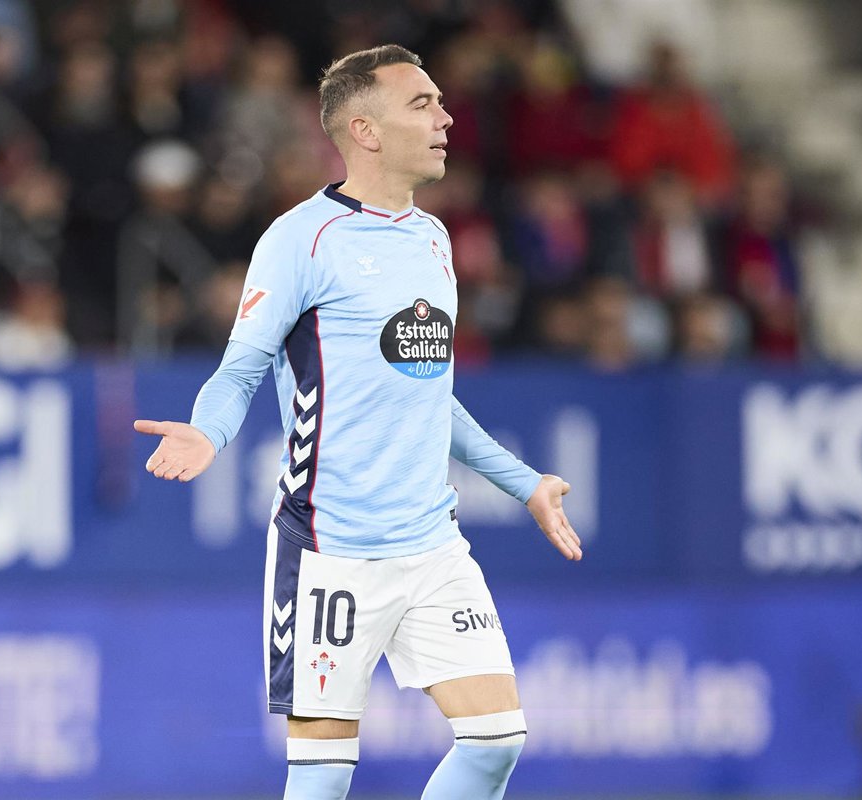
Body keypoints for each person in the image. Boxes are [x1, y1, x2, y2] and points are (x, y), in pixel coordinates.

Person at [133, 44, 582, 800]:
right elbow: (241, 369)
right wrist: (208, 431)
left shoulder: (433, 239)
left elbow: (430, 394)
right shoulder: (299, 240)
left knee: (495, 742)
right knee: (322, 779)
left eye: (441, 102)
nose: (445, 118)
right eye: (422, 104)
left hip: (432, 546)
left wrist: (524, 483)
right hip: (330, 550)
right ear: (364, 130)